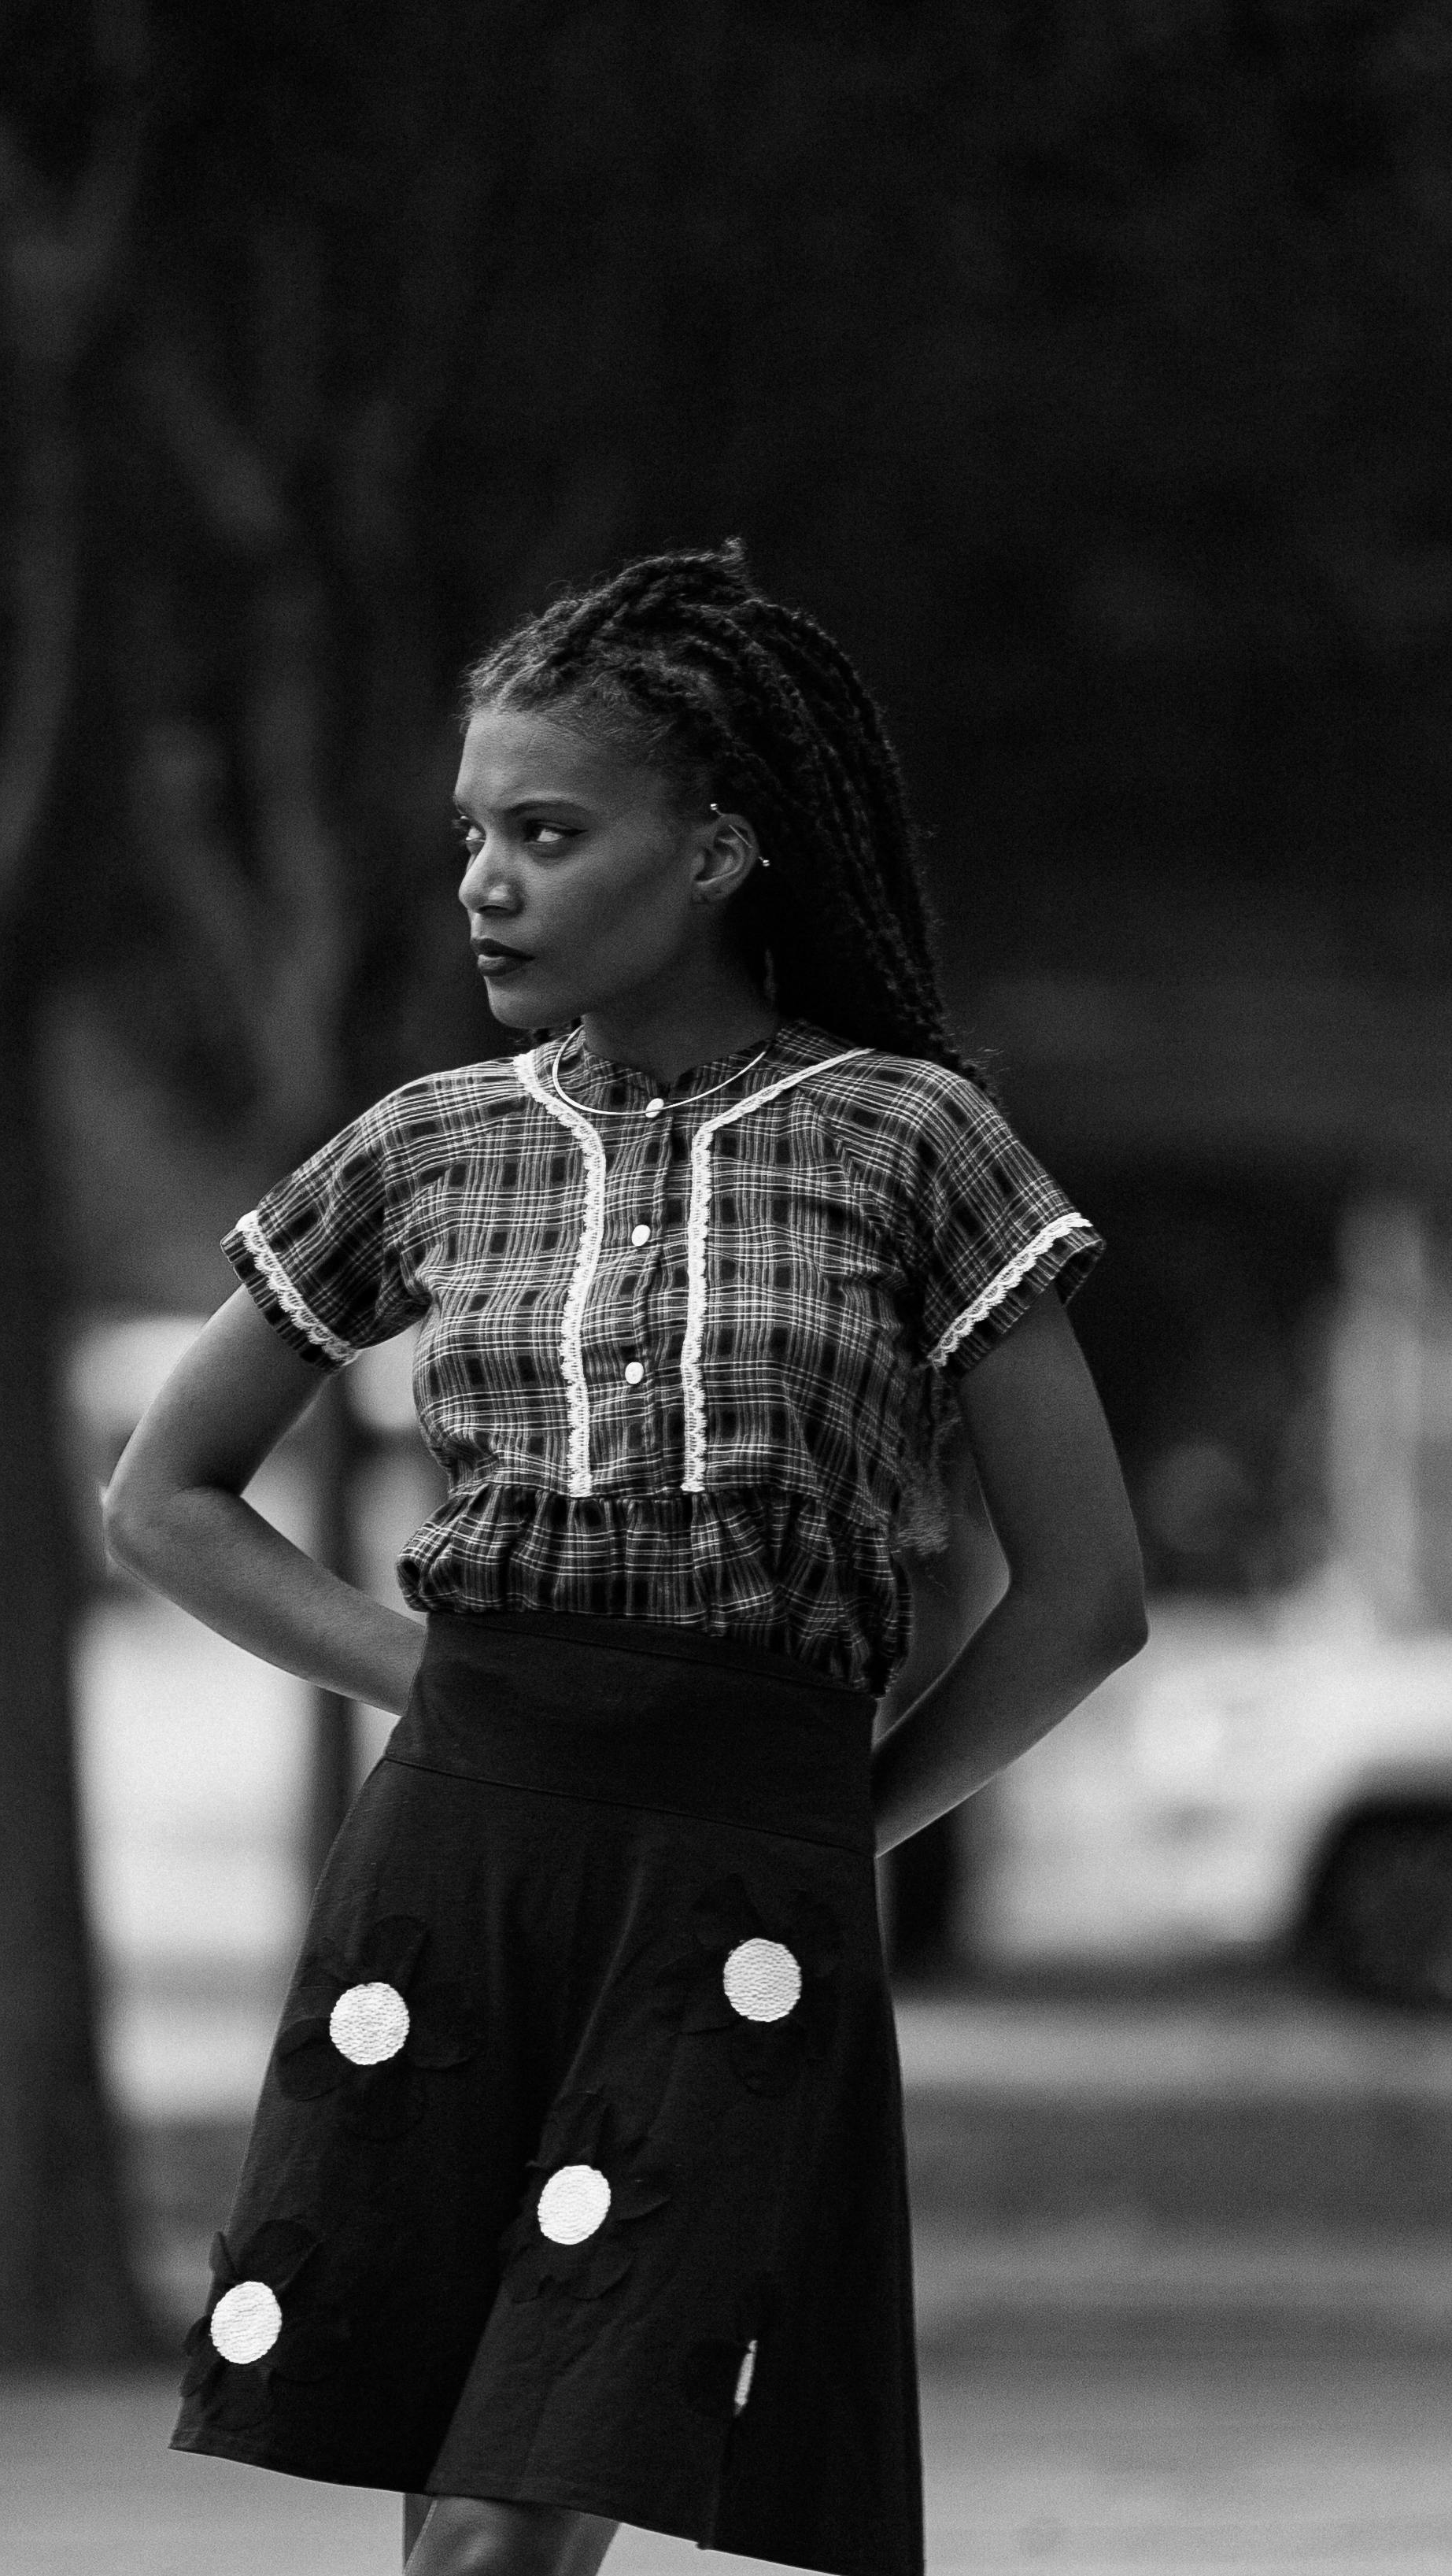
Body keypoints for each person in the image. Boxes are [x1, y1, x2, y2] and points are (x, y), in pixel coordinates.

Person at [105, 541, 1147, 2576]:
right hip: (460, 1865)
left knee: (519, 2514)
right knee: (465, 2519)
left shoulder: (913, 1144)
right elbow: (164, 1493)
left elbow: (1088, 1593)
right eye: (475, 834)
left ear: (722, 847)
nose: (486, 880)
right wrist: (440, 1690)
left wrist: (845, 1824)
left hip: (743, 1876)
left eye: (550, 831)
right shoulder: (426, 1146)